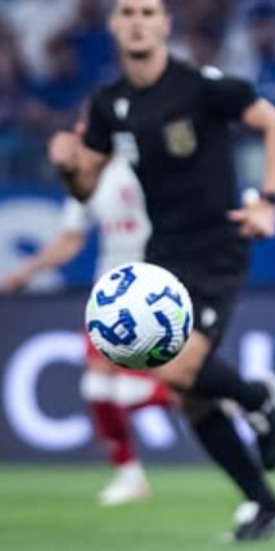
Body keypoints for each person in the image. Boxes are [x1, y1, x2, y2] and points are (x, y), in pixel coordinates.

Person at [46, 0, 275, 541]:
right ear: (114, 26)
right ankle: (265, 504)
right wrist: (67, 166)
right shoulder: (109, 104)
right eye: (127, 13)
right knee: (188, 396)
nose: (137, 21)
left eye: (148, 12)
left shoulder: (201, 87)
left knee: (176, 368)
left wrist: (270, 202)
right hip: (161, 252)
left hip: (217, 245)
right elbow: (86, 187)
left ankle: (259, 396)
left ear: (165, 25)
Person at [3, 154, 173, 506]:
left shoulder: (144, 161)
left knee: (131, 389)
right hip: (109, 292)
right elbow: (70, 238)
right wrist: (27, 271)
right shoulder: (87, 180)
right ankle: (129, 475)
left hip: (152, 290)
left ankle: (217, 395)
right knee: (96, 384)